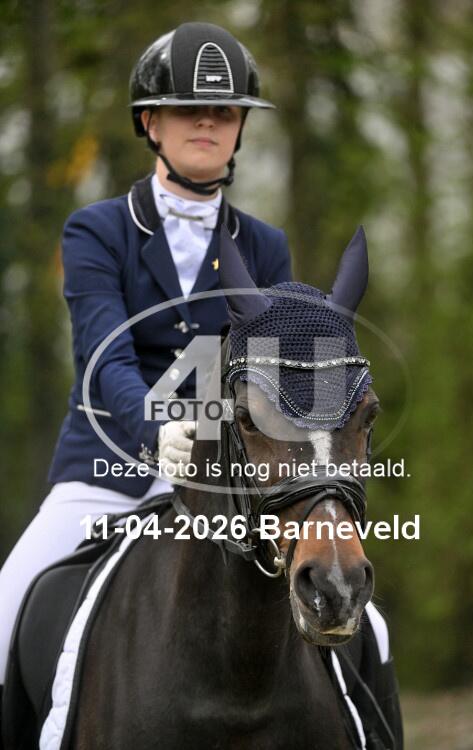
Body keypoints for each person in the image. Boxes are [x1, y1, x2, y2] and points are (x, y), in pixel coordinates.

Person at [0, 20, 292, 705]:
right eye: (189, 108)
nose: (208, 123)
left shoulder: (265, 246)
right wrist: (156, 430)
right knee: (5, 610)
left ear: (240, 129)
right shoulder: (97, 230)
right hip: (106, 475)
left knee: (365, 625)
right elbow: (105, 355)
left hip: (222, 486)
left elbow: (266, 378)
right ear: (151, 122)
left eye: (225, 112)